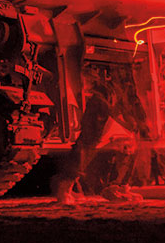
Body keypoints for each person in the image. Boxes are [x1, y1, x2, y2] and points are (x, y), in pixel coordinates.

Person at [52, 63, 150, 204]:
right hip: (98, 117)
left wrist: (134, 122)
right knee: (86, 149)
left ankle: (117, 188)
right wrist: (125, 121)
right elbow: (106, 106)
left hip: (110, 119)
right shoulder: (101, 92)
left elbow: (124, 104)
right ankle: (65, 188)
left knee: (129, 148)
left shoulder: (122, 86)